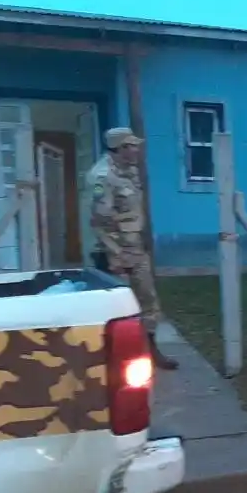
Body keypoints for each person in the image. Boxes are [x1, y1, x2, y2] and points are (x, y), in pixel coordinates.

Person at [86, 127, 179, 370]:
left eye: (136, 146)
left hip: (135, 247)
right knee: (116, 307)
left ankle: (150, 350)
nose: (136, 150)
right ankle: (112, 358)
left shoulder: (130, 172)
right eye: (131, 146)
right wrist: (115, 256)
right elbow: (100, 222)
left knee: (148, 299)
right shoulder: (102, 176)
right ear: (119, 148)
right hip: (113, 252)